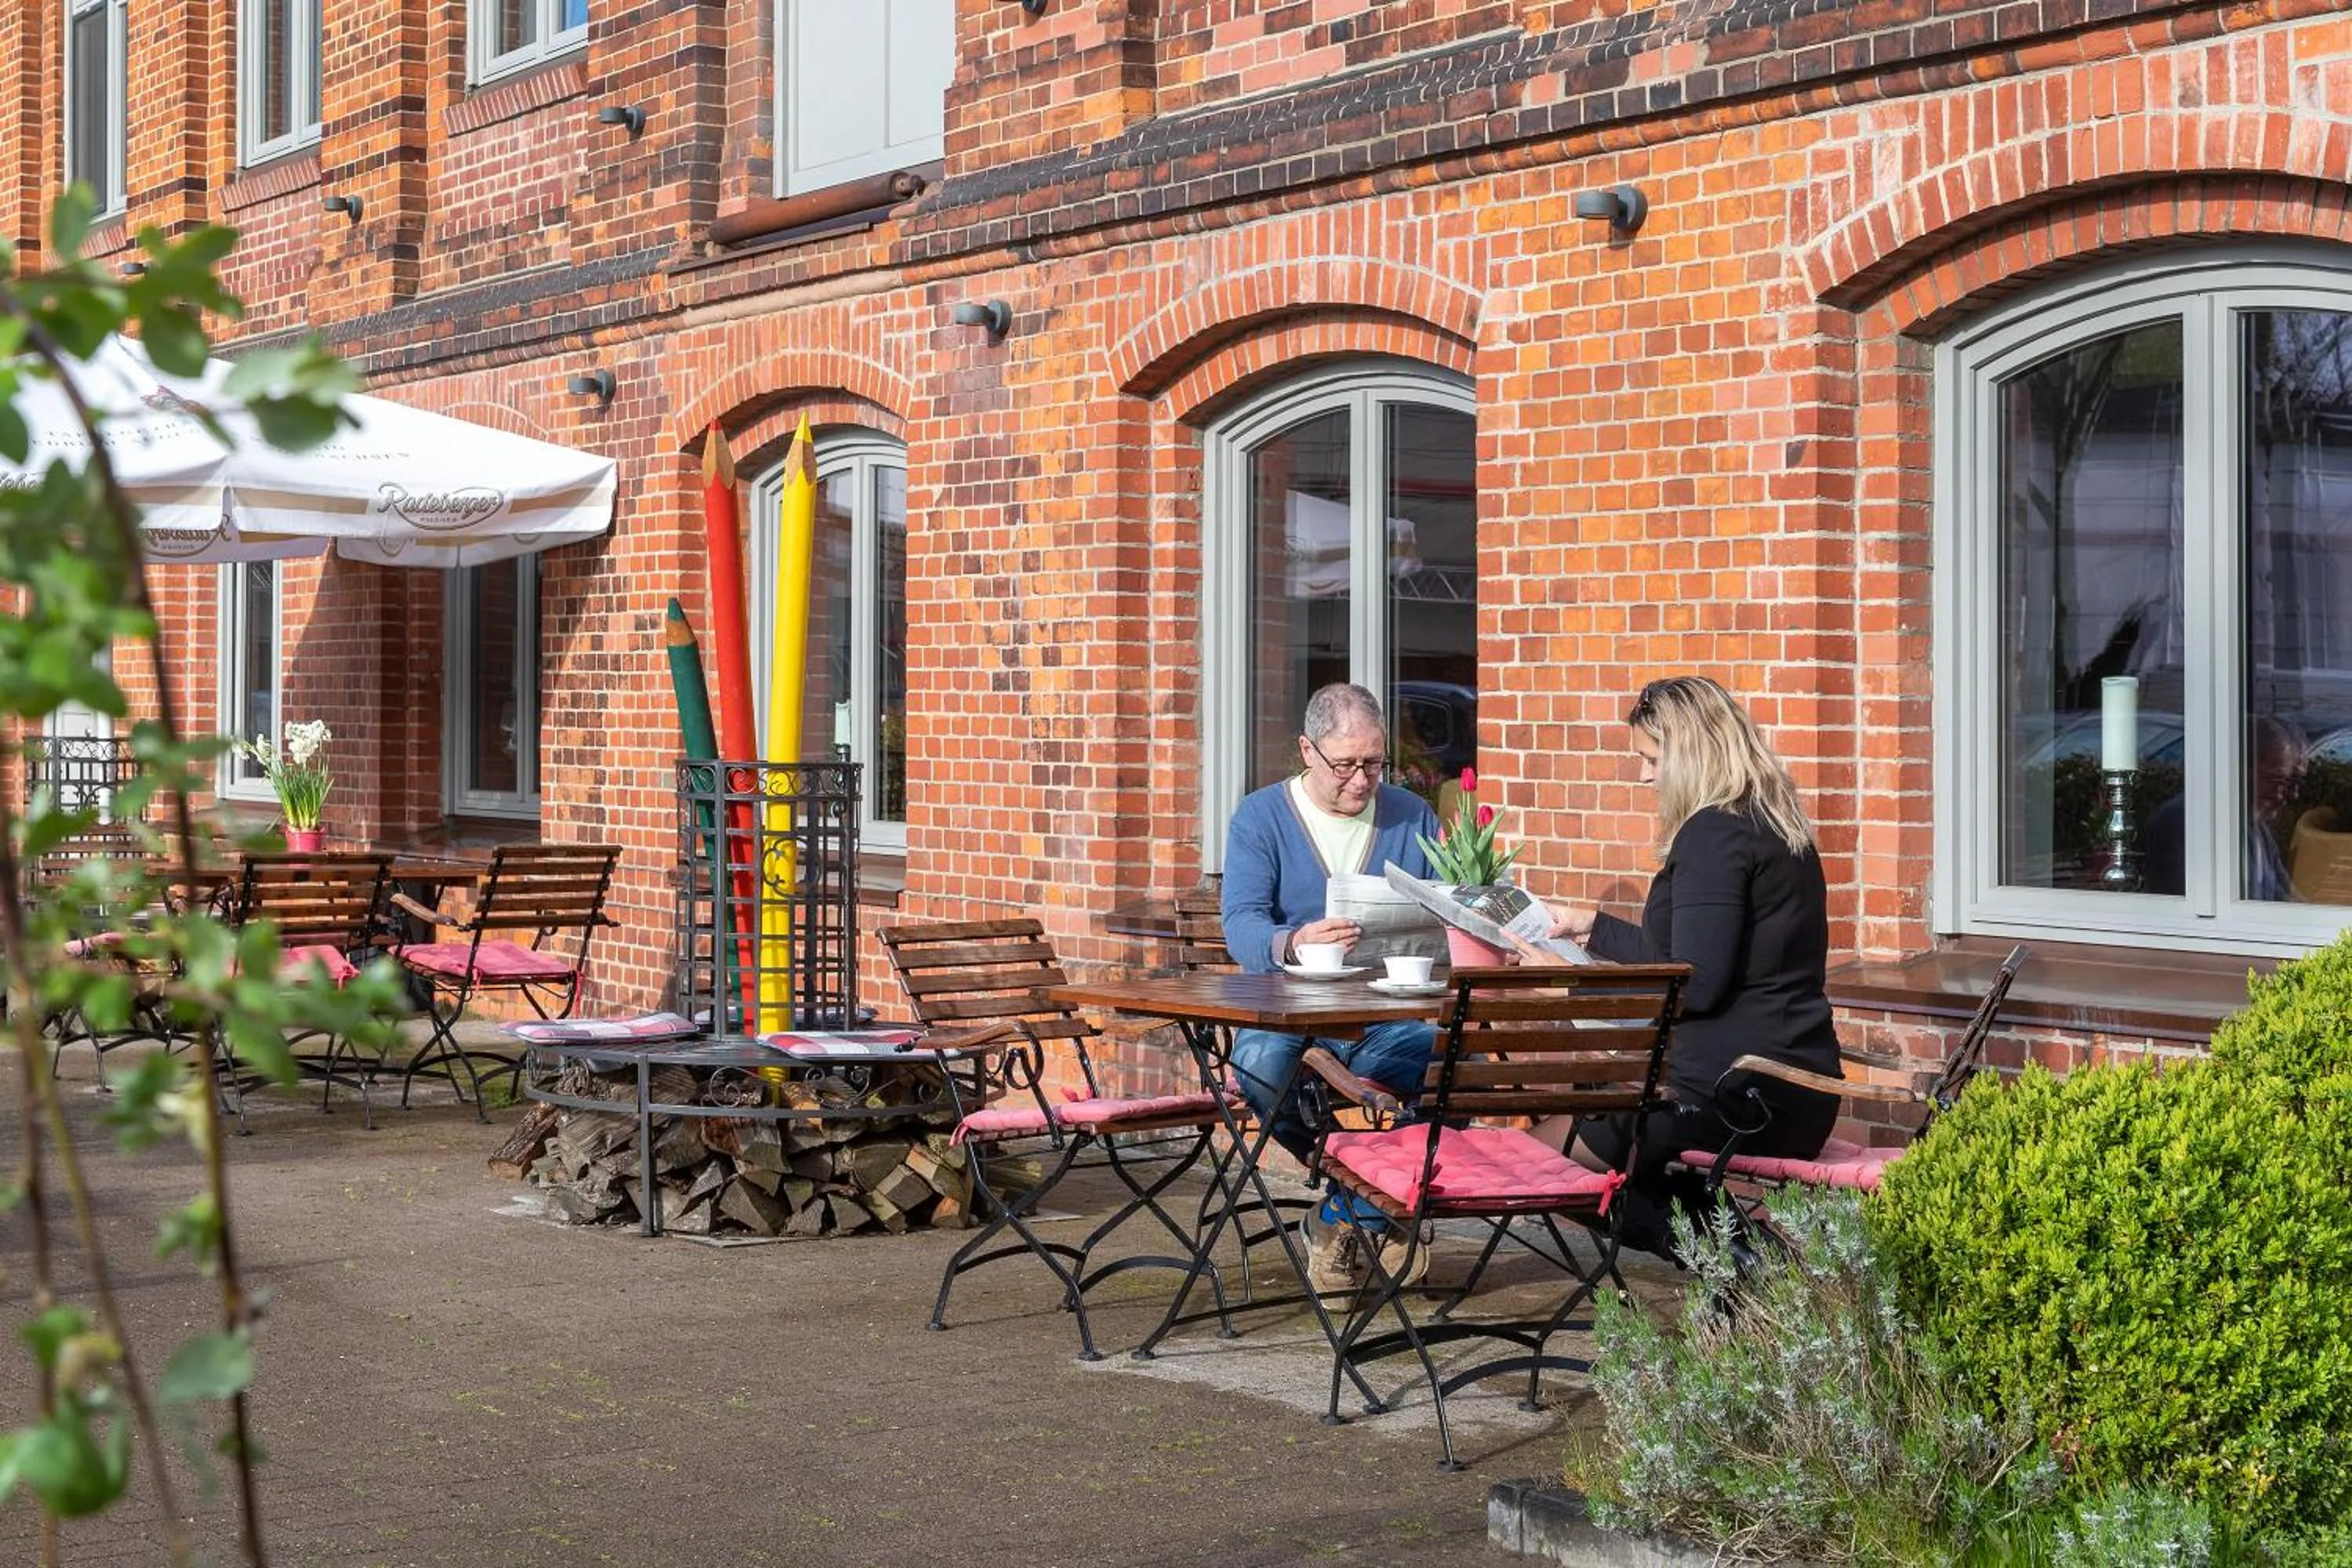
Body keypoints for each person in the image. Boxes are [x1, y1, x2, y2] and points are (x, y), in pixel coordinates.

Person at [1514, 675, 1842, 1258]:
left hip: (1731, 1098)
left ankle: (1748, 1267)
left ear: (1691, 755)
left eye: (1652, 758)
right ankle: (1746, 1261)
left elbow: (1697, 983)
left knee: (1536, 1164)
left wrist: (1571, 987)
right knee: (1600, 1150)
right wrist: (1595, 927)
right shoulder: (1773, 823)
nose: (1643, 776)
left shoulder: (1711, 835)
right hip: (1789, 1090)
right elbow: (1699, 955)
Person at [1221, 681, 1442, 1292]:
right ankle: (1366, 1186)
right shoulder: (1261, 816)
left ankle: (1350, 1211)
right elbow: (1241, 924)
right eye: (1346, 764)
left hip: (1386, 1021)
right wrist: (1293, 943)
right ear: (1306, 751)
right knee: (1262, 1068)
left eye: (1374, 763)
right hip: (1289, 1019)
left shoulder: (1412, 816)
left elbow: (1447, 914)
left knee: (1454, 1066)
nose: (1362, 780)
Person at [2140, 715, 2303, 901]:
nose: (2282, 794)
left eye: (2286, 783)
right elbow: (2187, 910)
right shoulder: (2182, 822)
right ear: (2240, 768)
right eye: (2275, 780)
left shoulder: (2255, 826)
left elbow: (2284, 896)